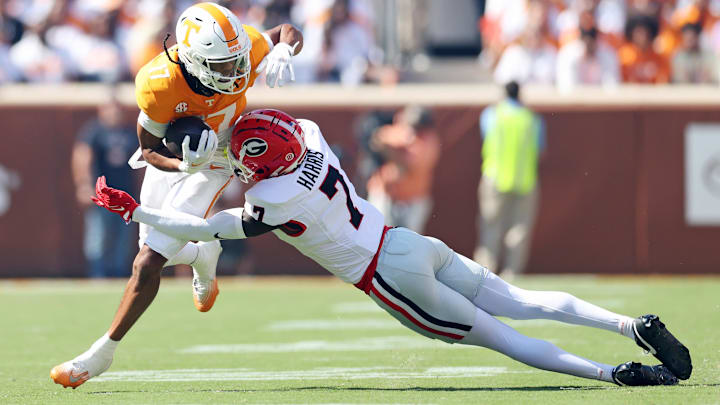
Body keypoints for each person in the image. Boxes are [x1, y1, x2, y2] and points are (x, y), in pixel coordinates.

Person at [81, 108, 691, 389]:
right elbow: (262, 141)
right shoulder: (312, 137)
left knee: (503, 336)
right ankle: (631, 325)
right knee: (521, 299)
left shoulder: (271, 200)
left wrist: (140, 210)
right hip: (408, 242)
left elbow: (204, 231)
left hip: (387, 276)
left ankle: (618, 374)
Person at [50, 2, 303, 386]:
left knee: (148, 261)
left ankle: (101, 354)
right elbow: (150, 149)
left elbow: (285, 29)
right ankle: (203, 253)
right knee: (149, 246)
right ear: (195, 60)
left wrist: (285, 48)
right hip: (173, 157)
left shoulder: (243, 48)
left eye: (236, 61)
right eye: (222, 65)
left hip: (220, 156)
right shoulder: (158, 81)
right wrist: (184, 166)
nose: (235, 73)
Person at [473, 81, 544, 280]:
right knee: (519, 230)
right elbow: (540, 147)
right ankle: (512, 272)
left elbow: (485, 137)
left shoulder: (491, 114)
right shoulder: (532, 118)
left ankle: (484, 272)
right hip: (525, 180)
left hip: (494, 178)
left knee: (490, 226)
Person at [71, 95, 138, 278]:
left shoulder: (129, 132)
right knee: (98, 235)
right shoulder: (94, 132)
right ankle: (97, 273)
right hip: (102, 195)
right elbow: (82, 157)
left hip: (126, 194)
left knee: (123, 237)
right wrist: (84, 184)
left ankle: (118, 272)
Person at [366, 106, 440, 233]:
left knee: (409, 243)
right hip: (385, 194)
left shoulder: (430, 143)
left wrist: (391, 152)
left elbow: (410, 165)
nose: (414, 132)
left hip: (413, 200)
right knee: (376, 235)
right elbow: (377, 139)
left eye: (418, 129)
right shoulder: (398, 131)